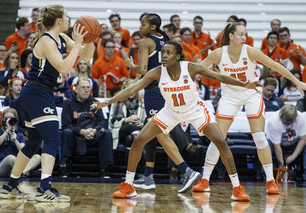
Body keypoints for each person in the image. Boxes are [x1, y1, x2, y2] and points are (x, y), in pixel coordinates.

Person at [93, 41, 259, 200]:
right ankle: (128, 185)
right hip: (170, 111)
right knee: (139, 140)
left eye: (168, 53)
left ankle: (237, 188)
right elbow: (132, 89)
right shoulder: (157, 72)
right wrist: (107, 102)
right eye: (163, 53)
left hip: (195, 110)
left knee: (220, 142)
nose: (164, 56)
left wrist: (243, 84)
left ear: (178, 56)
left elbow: (219, 77)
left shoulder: (191, 68)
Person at [195, 22, 306, 195]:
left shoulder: (250, 51)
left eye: (245, 34)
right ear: (231, 36)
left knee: (260, 138)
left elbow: (275, 66)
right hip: (230, 95)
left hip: (251, 93)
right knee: (218, 139)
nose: (244, 37)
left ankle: (270, 181)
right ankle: (205, 179)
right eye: (240, 34)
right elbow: (196, 69)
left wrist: (297, 81)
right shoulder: (218, 53)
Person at [0, 4, 94, 202]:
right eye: (67, 16)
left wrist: (91, 38)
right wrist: (76, 46)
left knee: (34, 141)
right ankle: (44, 188)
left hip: (39, 92)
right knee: (52, 139)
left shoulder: (62, 38)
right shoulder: (46, 40)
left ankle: (10, 185)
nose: (70, 19)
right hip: (36, 92)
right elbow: (64, 66)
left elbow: (87, 55)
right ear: (59, 20)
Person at [124, 14, 198, 191]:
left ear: (152, 27)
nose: (139, 27)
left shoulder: (144, 42)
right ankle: (148, 175)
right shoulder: (164, 39)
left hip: (155, 91)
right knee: (152, 133)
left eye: (143, 24)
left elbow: (142, 70)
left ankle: (186, 171)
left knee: (161, 133)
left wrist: (130, 64)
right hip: (167, 89)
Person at [60, 79, 113, 178]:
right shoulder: (68, 103)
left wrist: (94, 130)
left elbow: (102, 122)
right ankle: (64, 166)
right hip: (76, 135)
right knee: (66, 132)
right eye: (83, 88)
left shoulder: (95, 103)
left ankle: (104, 168)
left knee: (106, 133)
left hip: (92, 133)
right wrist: (81, 132)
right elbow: (66, 125)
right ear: (76, 89)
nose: (86, 90)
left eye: (88, 88)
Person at [0, 108, 40, 177]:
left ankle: (22, 172)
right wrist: (7, 131)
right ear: (3, 119)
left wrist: (15, 140)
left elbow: (22, 151)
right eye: (7, 118)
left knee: (37, 157)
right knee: (11, 158)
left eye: (11, 118)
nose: (9, 120)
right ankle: (26, 172)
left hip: (17, 165)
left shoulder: (20, 135)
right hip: (2, 167)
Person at [266, 104, 306, 181]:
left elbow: (303, 140)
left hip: (294, 143)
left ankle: (305, 176)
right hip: (276, 144)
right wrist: (281, 164)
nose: (289, 122)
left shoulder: (300, 118)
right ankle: (266, 175)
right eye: (287, 120)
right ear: (281, 115)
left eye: (292, 120)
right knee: (266, 146)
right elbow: (276, 146)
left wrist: (293, 156)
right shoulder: (274, 121)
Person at [108, 79, 146, 149]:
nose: (131, 91)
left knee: (129, 139)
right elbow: (112, 123)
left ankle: (131, 159)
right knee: (131, 127)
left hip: (137, 132)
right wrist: (127, 120)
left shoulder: (142, 103)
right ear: (124, 90)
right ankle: (142, 153)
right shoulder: (117, 101)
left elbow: (145, 122)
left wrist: (141, 124)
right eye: (129, 89)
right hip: (119, 131)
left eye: (133, 88)